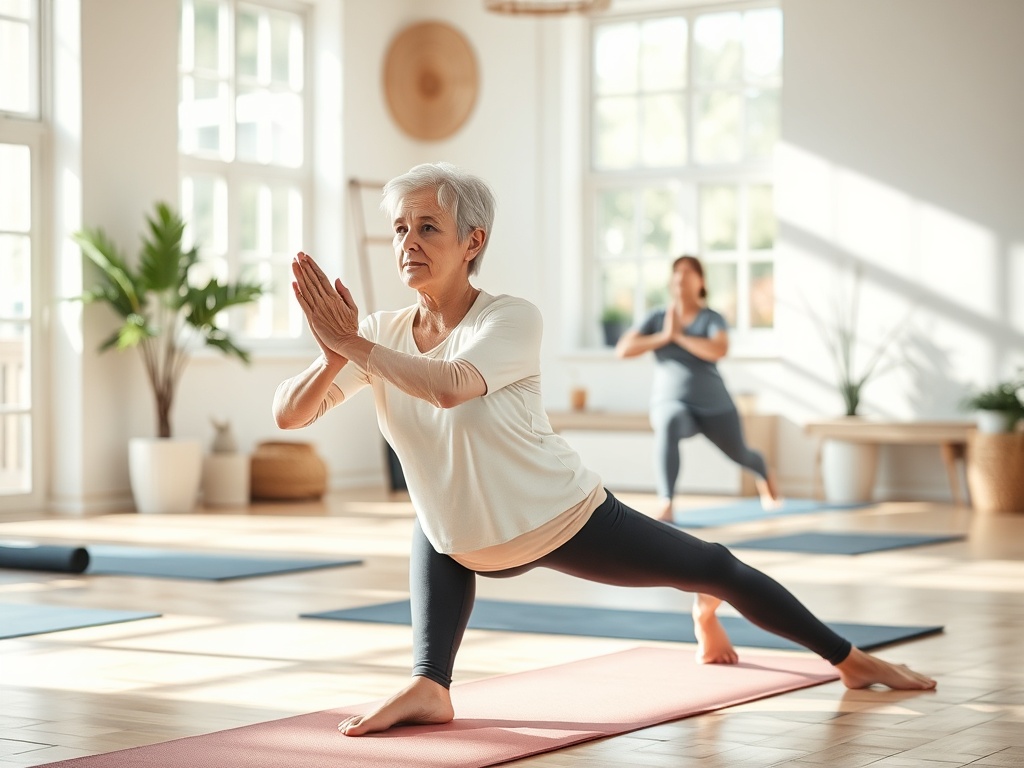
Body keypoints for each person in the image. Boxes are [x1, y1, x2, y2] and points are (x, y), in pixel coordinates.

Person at [273, 162, 936, 738]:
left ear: (473, 241)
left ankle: (850, 660)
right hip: (459, 537)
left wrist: (355, 346)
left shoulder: (509, 318)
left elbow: (449, 388)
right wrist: (334, 355)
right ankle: (430, 686)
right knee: (432, 518)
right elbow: (290, 412)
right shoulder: (380, 333)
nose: (407, 242)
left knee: (716, 567)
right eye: (399, 228)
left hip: (559, 517)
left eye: (426, 227)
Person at [615, 255, 780, 523]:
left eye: (688, 272)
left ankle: (765, 473)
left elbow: (719, 349)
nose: (681, 276)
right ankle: (667, 502)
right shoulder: (657, 318)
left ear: (700, 281)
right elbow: (623, 350)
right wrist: (663, 336)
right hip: (673, 403)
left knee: (741, 454)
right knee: (667, 422)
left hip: (716, 406)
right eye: (676, 271)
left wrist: (679, 336)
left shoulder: (710, 318)